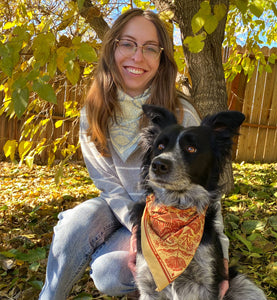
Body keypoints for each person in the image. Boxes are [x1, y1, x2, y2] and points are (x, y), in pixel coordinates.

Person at [39, 8, 229, 300]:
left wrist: (222, 260)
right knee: (73, 225)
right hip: (119, 209)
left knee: (109, 273)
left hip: (168, 216)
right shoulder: (93, 113)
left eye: (150, 48)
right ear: (112, 47)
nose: (137, 57)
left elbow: (207, 191)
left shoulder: (181, 114)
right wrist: (137, 230)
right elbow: (108, 185)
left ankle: (131, 270)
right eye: (127, 44)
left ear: (162, 58)